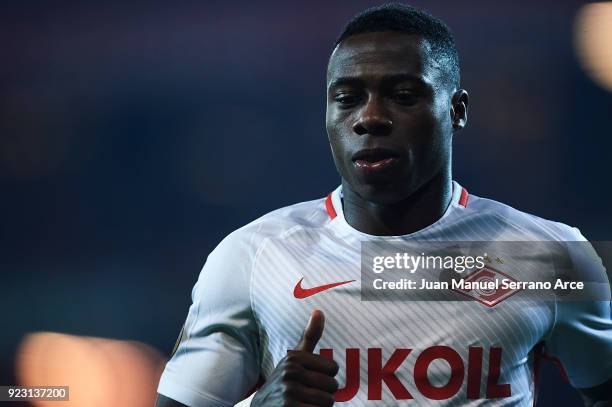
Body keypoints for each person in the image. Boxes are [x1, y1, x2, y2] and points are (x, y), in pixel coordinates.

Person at [155, 3, 612, 406]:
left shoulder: (550, 255)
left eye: (404, 95)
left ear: (458, 110)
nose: (370, 118)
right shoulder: (252, 255)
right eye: (348, 99)